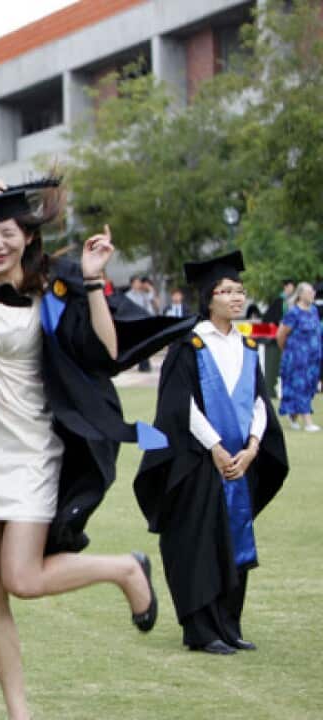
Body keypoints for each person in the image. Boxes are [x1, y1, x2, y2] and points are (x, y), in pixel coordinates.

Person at [0, 178, 194, 720]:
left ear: (28, 237)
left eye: (9, 232)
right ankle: (18, 710)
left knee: (21, 579)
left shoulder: (52, 288)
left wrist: (95, 283)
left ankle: (124, 568)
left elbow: (108, 350)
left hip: (30, 450)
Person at [134, 251, 288, 655]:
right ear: (209, 298)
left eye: (240, 290)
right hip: (200, 461)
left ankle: (229, 624)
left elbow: (259, 402)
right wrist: (216, 447)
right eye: (226, 291)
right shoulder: (190, 344)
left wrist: (254, 447)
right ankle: (202, 629)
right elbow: (180, 405)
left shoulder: (248, 345)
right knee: (200, 541)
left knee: (234, 540)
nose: (236, 298)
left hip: (241, 461)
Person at [276, 281, 321, 431]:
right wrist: (288, 351)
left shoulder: (314, 310)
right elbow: (281, 335)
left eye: (313, 292)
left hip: (312, 359)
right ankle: (308, 422)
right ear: (300, 295)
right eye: (309, 292)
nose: (312, 295)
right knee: (299, 387)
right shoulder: (293, 312)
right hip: (297, 358)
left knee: (308, 387)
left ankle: (293, 415)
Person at [126, 275, 159, 371]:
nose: (138, 284)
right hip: (135, 322)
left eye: (139, 282)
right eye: (136, 282)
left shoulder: (143, 294)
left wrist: (150, 289)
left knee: (145, 344)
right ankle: (143, 365)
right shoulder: (128, 295)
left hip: (145, 322)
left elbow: (152, 302)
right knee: (140, 345)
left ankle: (144, 365)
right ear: (132, 284)